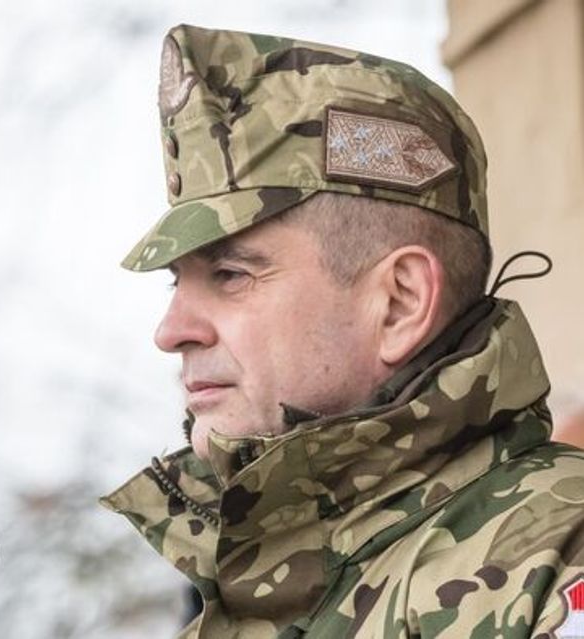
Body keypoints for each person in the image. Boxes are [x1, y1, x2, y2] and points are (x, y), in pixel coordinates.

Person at [101, 24, 584, 638]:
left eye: (230, 274)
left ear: (400, 303)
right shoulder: (244, 595)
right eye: (176, 284)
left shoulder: (554, 557)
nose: (171, 331)